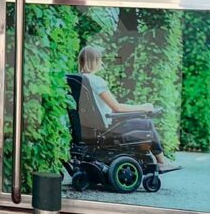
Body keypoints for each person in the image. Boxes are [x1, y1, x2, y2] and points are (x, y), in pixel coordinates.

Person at [77, 45, 180, 173]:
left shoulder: (78, 79)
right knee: (147, 123)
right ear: (93, 61)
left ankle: (158, 160)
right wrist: (143, 108)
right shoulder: (96, 81)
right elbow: (117, 108)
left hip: (88, 129)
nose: (102, 62)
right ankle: (161, 162)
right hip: (107, 129)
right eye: (100, 59)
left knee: (140, 121)